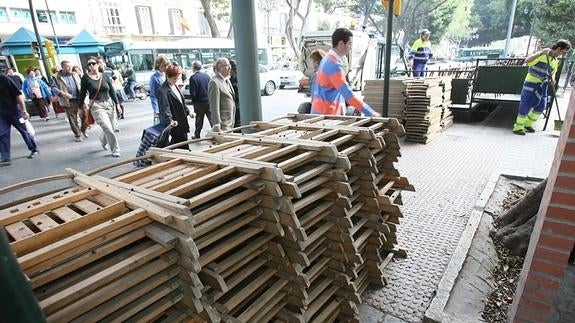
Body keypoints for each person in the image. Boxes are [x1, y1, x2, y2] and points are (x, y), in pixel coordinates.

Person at [311, 28, 379, 117]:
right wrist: (370, 113)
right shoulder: (334, 65)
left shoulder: (327, 58)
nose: (351, 47)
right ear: (341, 44)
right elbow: (348, 95)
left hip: (320, 113)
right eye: (350, 43)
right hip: (326, 116)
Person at [513, 39, 572, 135]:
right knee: (526, 104)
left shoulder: (555, 60)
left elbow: (553, 73)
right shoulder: (543, 54)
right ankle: (518, 127)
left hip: (543, 85)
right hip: (531, 83)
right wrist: (540, 54)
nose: (562, 54)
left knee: (541, 106)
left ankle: (527, 124)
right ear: (559, 48)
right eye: (563, 52)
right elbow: (527, 61)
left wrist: (553, 79)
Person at [78, 57, 121, 157]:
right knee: (107, 127)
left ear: (98, 64)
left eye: (93, 63)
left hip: (109, 103)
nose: (91, 66)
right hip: (96, 106)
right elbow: (82, 94)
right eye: (89, 64)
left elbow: (111, 91)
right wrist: (80, 108)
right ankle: (115, 149)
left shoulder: (104, 76)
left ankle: (103, 140)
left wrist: (117, 104)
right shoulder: (85, 78)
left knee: (112, 128)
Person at [0, 74, 39, 165]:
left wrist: (24, 111)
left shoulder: (4, 79)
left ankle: (34, 149)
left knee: (23, 130)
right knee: (2, 133)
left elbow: (18, 95)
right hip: (1, 112)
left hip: (13, 109)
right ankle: (5, 157)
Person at [157, 64, 195, 147]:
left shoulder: (175, 86)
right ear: (167, 76)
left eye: (177, 78)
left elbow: (181, 102)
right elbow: (164, 108)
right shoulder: (162, 90)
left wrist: (188, 112)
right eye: (174, 78)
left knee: (181, 142)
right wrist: (170, 120)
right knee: (181, 143)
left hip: (182, 120)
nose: (176, 80)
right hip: (175, 122)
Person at [51, 60, 88, 142]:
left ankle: (83, 129)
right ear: (63, 67)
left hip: (79, 98)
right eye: (68, 66)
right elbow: (53, 88)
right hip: (68, 100)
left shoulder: (75, 74)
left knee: (86, 115)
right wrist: (62, 93)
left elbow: (81, 85)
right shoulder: (56, 76)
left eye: (71, 66)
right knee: (72, 119)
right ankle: (78, 134)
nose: (70, 68)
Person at [208, 57, 236, 132]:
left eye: (229, 65)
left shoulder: (227, 80)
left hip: (230, 122)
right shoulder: (214, 82)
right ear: (220, 67)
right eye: (227, 65)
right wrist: (216, 124)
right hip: (223, 125)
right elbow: (214, 105)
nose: (230, 67)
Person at [188, 60, 212, 138]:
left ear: (193, 68)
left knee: (199, 120)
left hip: (199, 102)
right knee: (211, 119)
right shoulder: (207, 76)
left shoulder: (193, 78)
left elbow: (193, 93)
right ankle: (217, 133)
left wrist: (194, 102)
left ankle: (197, 135)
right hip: (208, 101)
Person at [298, 49, 325, 114]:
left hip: (319, 111)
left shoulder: (316, 76)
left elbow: (314, 95)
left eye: (312, 62)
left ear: (316, 62)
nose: (312, 64)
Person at [150, 56, 171, 125]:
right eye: (164, 65)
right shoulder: (154, 78)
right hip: (161, 108)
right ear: (158, 65)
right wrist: (156, 110)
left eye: (167, 65)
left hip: (169, 106)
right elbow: (153, 95)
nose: (166, 67)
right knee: (162, 129)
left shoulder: (167, 75)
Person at [229, 60, 241, 127]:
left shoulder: (233, 79)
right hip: (239, 104)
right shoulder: (240, 76)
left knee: (237, 124)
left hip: (236, 105)